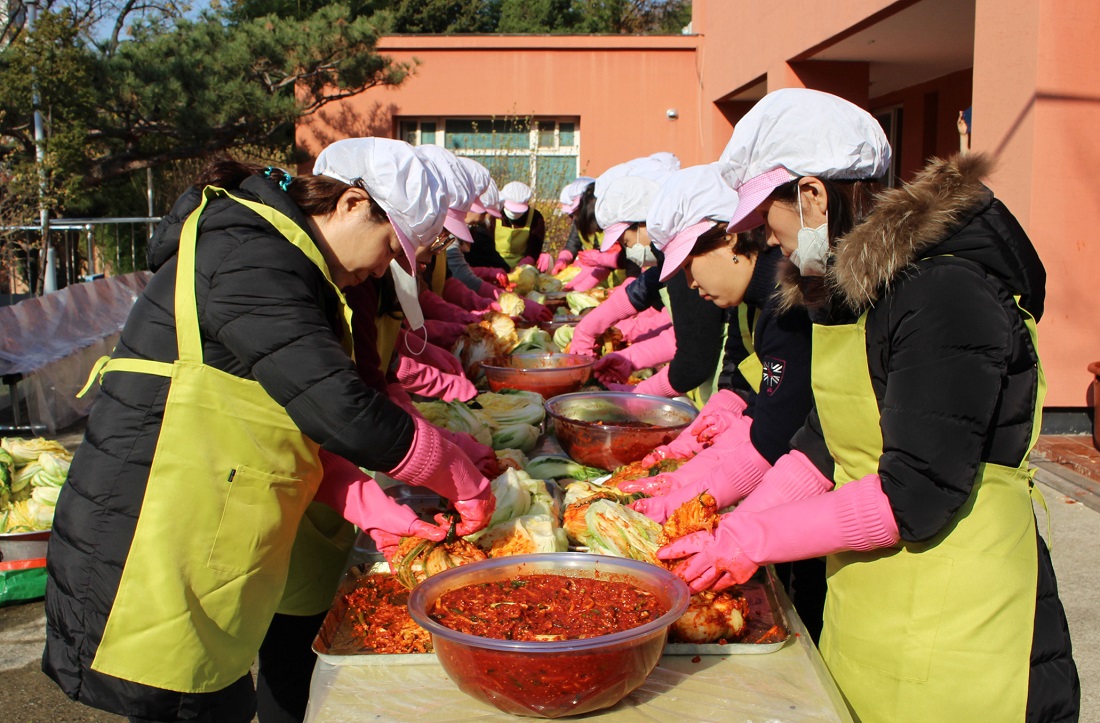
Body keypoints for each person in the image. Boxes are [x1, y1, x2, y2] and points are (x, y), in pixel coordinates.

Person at [657, 88, 1079, 721]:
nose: (768, 243)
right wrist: (723, 533)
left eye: (765, 221)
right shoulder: (863, 293)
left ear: (812, 196)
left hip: (965, 625)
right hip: (872, 609)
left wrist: (753, 537)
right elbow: (823, 446)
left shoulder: (944, 291)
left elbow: (915, 492)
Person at [42, 138, 496, 723]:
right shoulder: (250, 254)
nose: (386, 267)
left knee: (218, 697)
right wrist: (459, 476)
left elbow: (285, 418)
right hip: (147, 540)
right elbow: (338, 406)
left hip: (204, 540)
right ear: (353, 203)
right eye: (390, 246)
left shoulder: (292, 264)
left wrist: (367, 503)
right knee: (182, 703)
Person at [612, 163, 820, 638]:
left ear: (729, 241)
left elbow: (778, 430)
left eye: (689, 267)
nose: (688, 285)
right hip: (792, 483)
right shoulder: (754, 296)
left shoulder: (784, 302)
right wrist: (692, 455)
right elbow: (748, 389)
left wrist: (698, 492)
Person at [495, 181, 545, 268]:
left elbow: (534, 247)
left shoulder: (535, 218)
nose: (514, 213)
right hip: (495, 263)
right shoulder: (494, 215)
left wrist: (527, 262)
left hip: (524, 268)